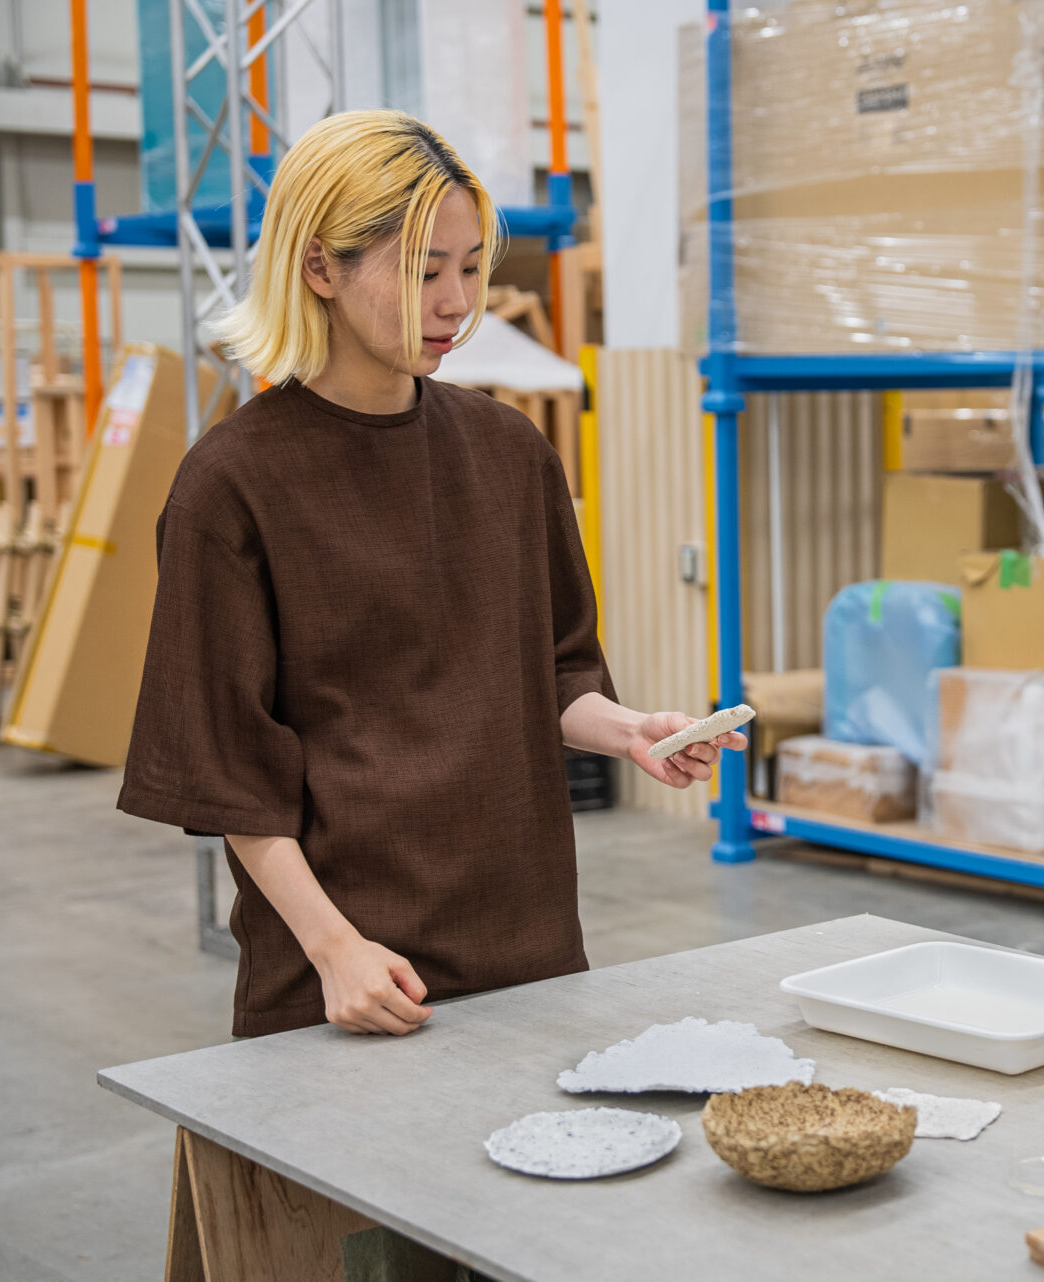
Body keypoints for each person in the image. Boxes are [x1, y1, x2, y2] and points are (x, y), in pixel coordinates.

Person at [118, 110, 744, 1040]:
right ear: (320, 267)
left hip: (529, 949)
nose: (457, 302)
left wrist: (632, 733)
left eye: (471, 267)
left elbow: (555, 673)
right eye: (422, 271)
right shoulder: (232, 486)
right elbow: (232, 776)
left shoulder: (509, 452)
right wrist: (335, 951)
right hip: (348, 981)